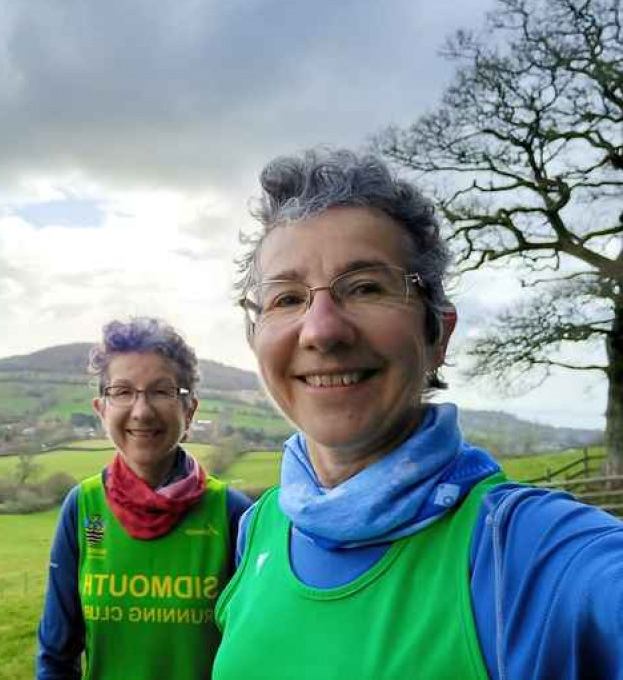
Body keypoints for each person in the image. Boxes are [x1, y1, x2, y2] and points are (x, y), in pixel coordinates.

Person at [211, 150, 623, 680]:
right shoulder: (260, 527)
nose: (320, 330)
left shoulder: (523, 551)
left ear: (438, 335)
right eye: (286, 298)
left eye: (364, 287)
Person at [36, 317, 252, 680]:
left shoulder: (234, 514)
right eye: (122, 391)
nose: (141, 410)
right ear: (101, 408)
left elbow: (253, 655)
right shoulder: (82, 507)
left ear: (190, 409)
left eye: (161, 391)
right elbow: (56, 657)